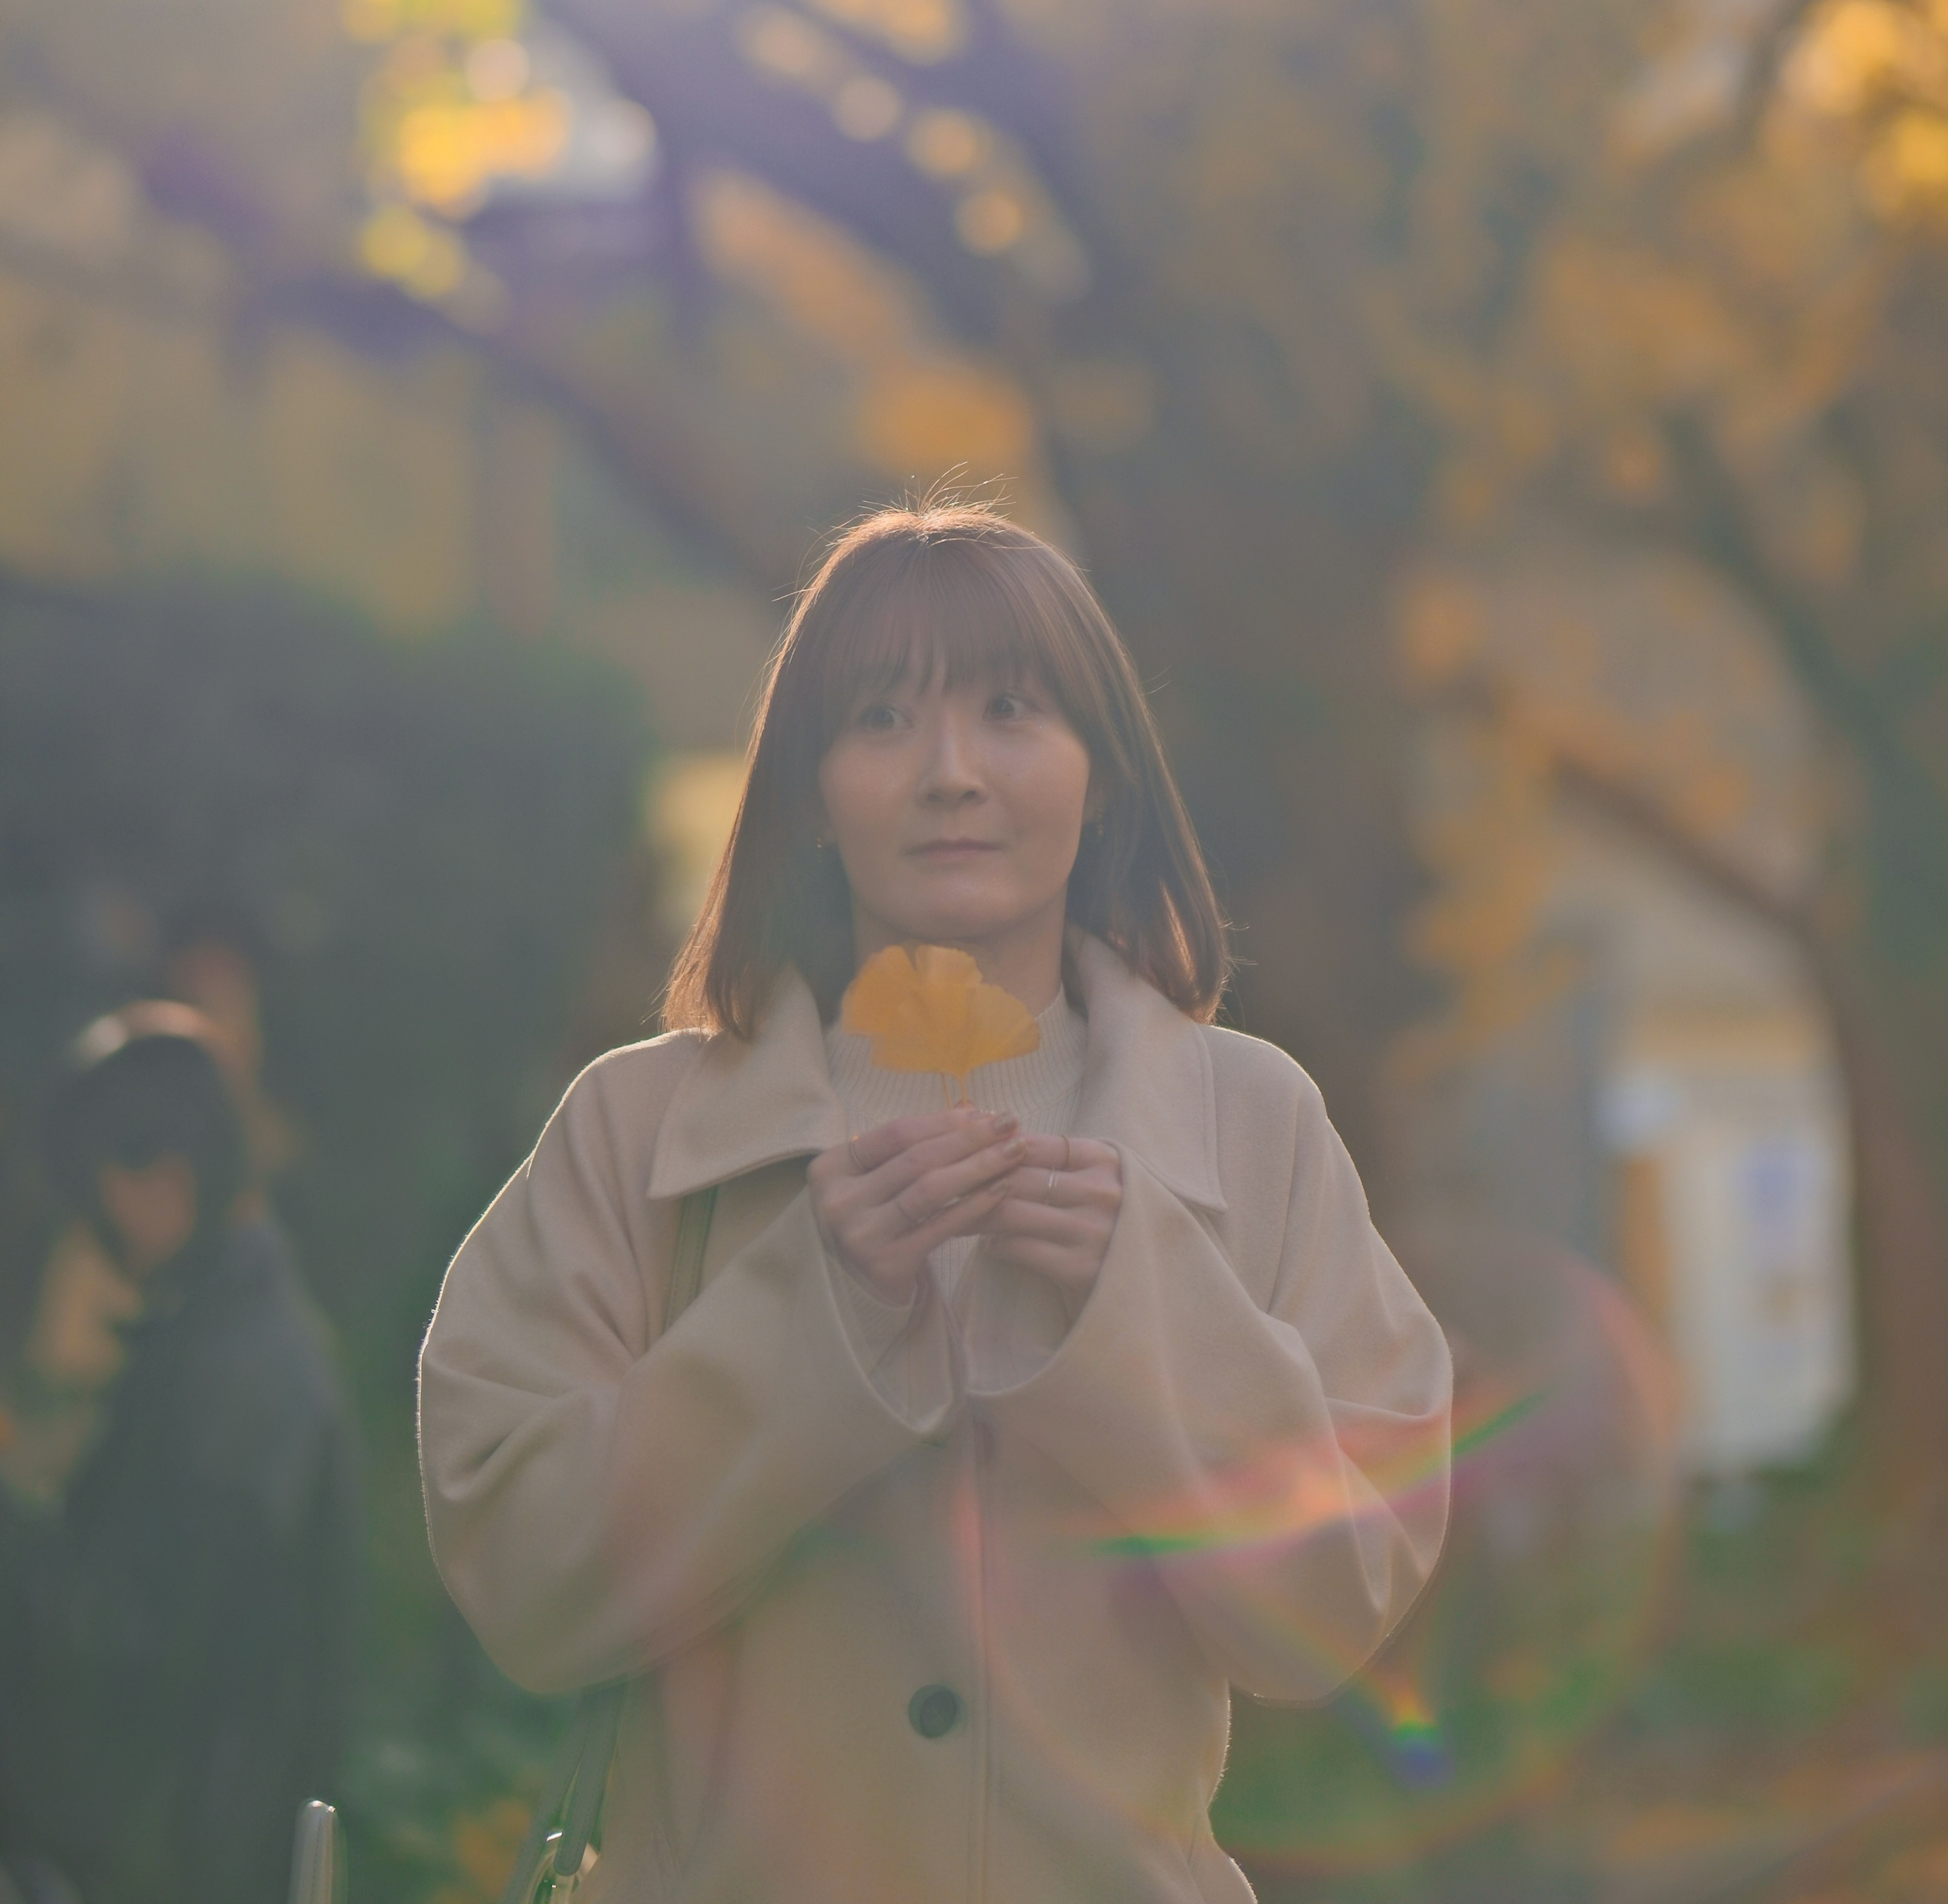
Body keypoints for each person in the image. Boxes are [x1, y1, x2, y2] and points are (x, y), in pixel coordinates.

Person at [420, 501, 1452, 1904]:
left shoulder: (1250, 1122)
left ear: (1103, 780)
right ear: (806, 788)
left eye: (1014, 710)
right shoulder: (638, 1129)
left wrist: (1143, 1310)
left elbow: (1331, 1615)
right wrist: (807, 1315)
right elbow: (524, 1578)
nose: (951, 774)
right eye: (883, 719)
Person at [0, 1006, 359, 1904]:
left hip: (172, 1868)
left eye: (98, 1186)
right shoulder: (229, 1344)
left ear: (165, 1177)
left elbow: (140, 1650)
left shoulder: (244, 1379)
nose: (93, 1225)